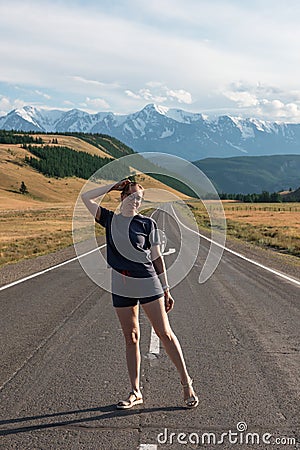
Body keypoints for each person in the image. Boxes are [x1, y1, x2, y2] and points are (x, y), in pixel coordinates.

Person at [81, 179, 199, 409]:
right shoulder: (109, 219)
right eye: (133, 196)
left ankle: (187, 384)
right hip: (121, 283)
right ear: (123, 197)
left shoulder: (147, 223)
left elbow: (156, 257)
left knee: (164, 333)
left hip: (146, 281)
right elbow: (86, 198)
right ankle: (135, 392)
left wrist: (166, 288)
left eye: (140, 199)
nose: (137, 202)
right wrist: (112, 186)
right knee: (131, 337)